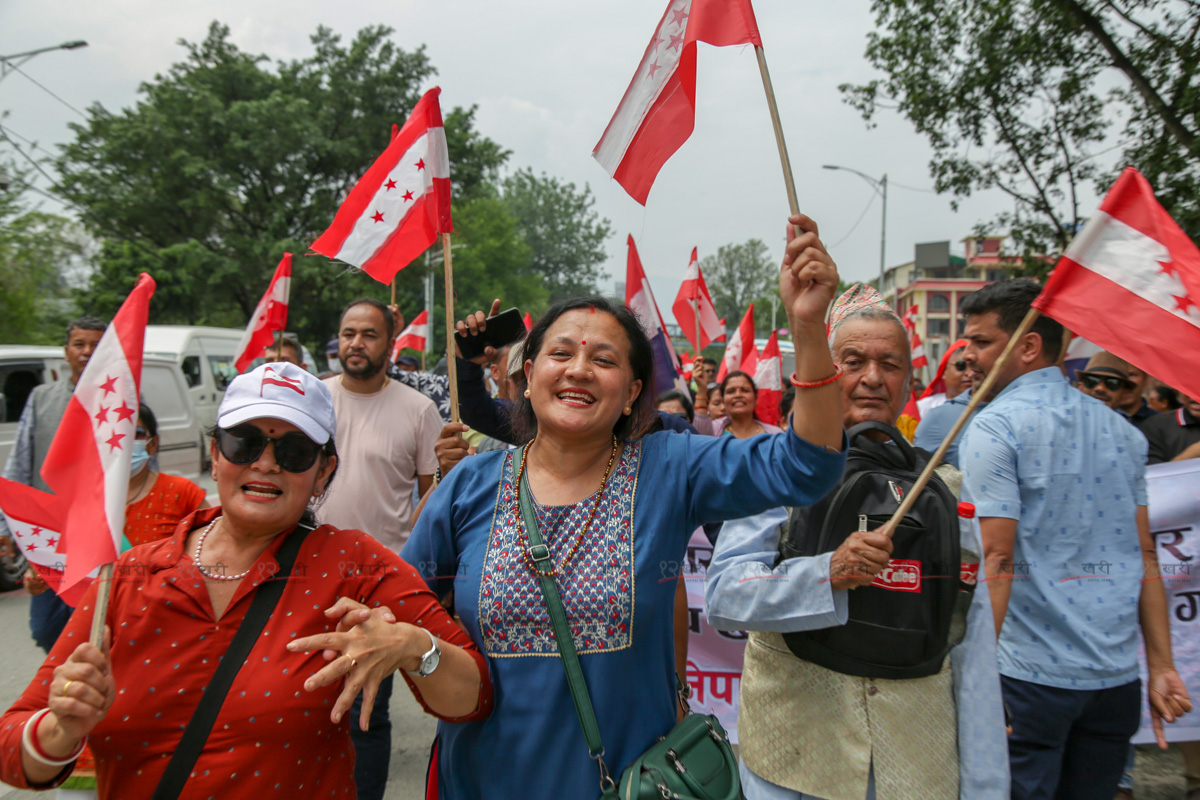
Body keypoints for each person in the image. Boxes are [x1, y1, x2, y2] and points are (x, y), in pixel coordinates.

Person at [316, 213, 847, 799]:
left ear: (633, 392)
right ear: (530, 371)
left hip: (627, 783)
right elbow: (396, 602)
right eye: (560, 352)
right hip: (482, 781)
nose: (578, 369)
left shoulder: (673, 468)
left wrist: (809, 329)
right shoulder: (470, 485)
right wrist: (405, 644)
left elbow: (809, 464)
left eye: (605, 360)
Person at [0, 361, 492, 797]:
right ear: (215, 455)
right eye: (245, 442)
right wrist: (61, 731)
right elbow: (15, 752)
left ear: (324, 472)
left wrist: (415, 647)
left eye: (294, 451)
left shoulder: (356, 566)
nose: (265, 462)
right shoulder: (130, 577)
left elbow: (472, 696)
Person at [706, 285, 1007, 800]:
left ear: (907, 382)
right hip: (795, 764)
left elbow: (971, 643)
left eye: (889, 364)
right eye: (853, 361)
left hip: (915, 766)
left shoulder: (945, 488)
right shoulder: (772, 471)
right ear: (825, 371)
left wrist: (986, 785)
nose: (872, 378)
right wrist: (826, 574)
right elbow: (725, 596)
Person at [957, 279, 1191, 800]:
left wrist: (974, 681)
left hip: (1026, 680)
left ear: (1029, 347)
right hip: (1113, 683)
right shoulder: (1124, 433)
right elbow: (1146, 555)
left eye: (980, 342)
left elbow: (998, 557)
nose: (967, 356)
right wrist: (1161, 667)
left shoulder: (995, 429)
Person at [319, 297, 442, 800]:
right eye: (348, 333)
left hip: (376, 585)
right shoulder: (313, 399)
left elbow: (435, 494)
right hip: (303, 575)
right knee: (304, 701)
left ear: (390, 343)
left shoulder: (418, 410)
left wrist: (408, 557)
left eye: (368, 334)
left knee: (367, 708)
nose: (356, 344)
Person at [0, 316, 106, 653]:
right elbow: (20, 460)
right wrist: (6, 524)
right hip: (50, 533)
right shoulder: (41, 398)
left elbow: (147, 462)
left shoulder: (123, 401)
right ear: (66, 351)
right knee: (47, 629)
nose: (87, 352)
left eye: (96, 345)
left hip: (102, 534)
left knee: (98, 624)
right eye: (80, 344)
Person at [914, 344, 983, 469]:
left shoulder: (990, 409)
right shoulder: (923, 408)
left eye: (973, 367)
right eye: (961, 366)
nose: (968, 373)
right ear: (944, 372)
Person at [695, 372, 783, 437]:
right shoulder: (713, 431)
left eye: (745, 390)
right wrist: (701, 388)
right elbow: (698, 434)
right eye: (731, 391)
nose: (738, 395)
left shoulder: (774, 434)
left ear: (756, 399)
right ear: (723, 401)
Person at [1142, 392, 1200, 464]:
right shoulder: (1156, 424)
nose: (1194, 399)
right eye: (1191, 389)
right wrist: (1193, 453)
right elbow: (1155, 472)